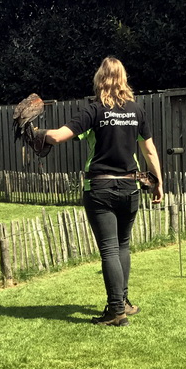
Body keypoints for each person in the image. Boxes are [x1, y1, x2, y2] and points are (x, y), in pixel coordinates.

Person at [43, 56, 164, 326]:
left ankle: (116, 311)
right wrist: (158, 183)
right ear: (123, 79)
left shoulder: (94, 110)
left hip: (100, 187)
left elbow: (57, 137)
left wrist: (36, 132)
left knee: (109, 249)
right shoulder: (136, 111)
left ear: (100, 79)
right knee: (122, 245)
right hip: (130, 186)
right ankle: (123, 302)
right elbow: (149, 150)